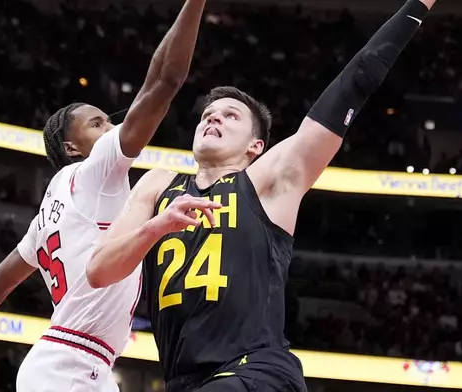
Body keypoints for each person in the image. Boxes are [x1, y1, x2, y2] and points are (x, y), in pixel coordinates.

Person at [87, 1, 437, 391]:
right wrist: (157, 226)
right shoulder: (158, 186)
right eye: (208, 113)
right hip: (186, 381)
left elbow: (357, 79)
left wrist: (417, 5)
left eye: (230, 115)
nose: (213, 117)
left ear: (256, 146)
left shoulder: (268, 181)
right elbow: (98, 270)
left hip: (256, 370)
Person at [0, 1, 207, 391]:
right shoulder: (97, 168)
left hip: (78, 364)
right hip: (70, 362)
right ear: (71, 147)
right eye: (97, 122)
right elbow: (165, 82)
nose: (112, 127)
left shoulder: (47, 214)